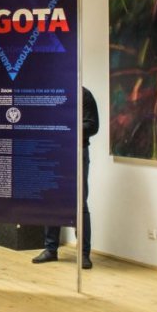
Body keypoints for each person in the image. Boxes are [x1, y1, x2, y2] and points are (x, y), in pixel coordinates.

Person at [34, 87, 100, 269]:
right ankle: (50, 250)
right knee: (52, 200)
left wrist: (65, 128)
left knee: (80, 202)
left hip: (76, 153)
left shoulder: (84, 95)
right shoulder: (50, 93)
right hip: (52, 150)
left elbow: (92, 125)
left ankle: (83, 254)